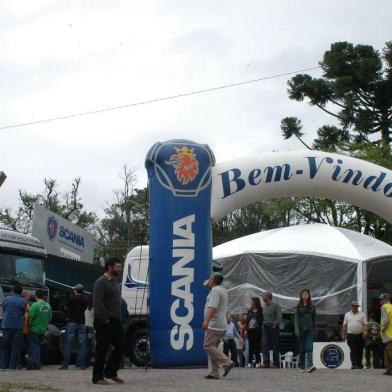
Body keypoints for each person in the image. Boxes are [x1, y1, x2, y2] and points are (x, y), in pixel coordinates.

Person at [92, 257, 125, 385]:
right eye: (117, 267)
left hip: (115, 321)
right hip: (105, 321)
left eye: (120, 267)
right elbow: (97, 302)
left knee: (122, 344)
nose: (119, 269)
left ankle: (111, 372)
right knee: (102, 349)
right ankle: (97, 377)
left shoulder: (114, 282)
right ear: (110, 267)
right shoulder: (101, 282)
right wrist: (104, 319)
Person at [203, 273, 234, 380]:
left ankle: (227, 362)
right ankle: (214, 372)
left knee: (207, 346)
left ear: (213, 280)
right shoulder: (222, 289)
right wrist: (208, 283)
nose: (208, 280)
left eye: (210, 278)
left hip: (214, 324)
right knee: (213, 348)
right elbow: (206, 285)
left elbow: (213, 308)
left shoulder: (215, 291)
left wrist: (206, 321)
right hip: (221, 324)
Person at [59, 284, 88, 370]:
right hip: (82, 322)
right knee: (82, 344)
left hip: (72, 322)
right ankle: (81, 364)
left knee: (68, 343)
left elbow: (64, 307)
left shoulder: (72, 298)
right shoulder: (85, 299)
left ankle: (65, 364)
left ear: (76, 290)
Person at [0, 284, 27, 370]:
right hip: (18, 326)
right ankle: (13, 366)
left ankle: (2, 366)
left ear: (13, 291)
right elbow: (23, 313)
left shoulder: (6, 299)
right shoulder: (23, 301)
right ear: (21, 292)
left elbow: (4, 310)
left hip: (7, 325)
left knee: (5, 346)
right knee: (16, 346)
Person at [25, 289, 52, 370]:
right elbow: (50, 318)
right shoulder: (48, 305)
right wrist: (45, 324)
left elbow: (30, 317)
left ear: (35, 296)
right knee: (38, 347)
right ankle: (32, 363)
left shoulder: (35, 305)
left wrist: (28, 326)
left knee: (34, 347)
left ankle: (37, 364)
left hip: (34, 329)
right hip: (43, 329)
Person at [294, 289, 316, 373]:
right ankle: (302, 366)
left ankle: (310, 365)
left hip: (310, 329)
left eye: (306, 294)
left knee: (309, 347)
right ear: (301, 295)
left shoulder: (313, 306)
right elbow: (296, 319)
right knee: (302, 348)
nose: (305, 296)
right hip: (301, 329)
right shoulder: (298, 306)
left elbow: (314, 319)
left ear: (309, 296)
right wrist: (296, 330)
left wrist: (314, 330)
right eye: (303, 294)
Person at [342, 300, 368, 369]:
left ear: (357, 307)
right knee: (353, 350)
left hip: (360, 334)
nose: (354, 307)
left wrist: (365, 332)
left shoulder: (362, 314)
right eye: (353, 306)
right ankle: (354, 364)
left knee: (360, 350)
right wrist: (343, 334)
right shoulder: (347, 314)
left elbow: (365, 324)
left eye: (355, 306)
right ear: (351, 306)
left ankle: (359, 364)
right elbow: (344, 325)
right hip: (350, 334)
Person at [261, 291, 282, 368]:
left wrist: (275, 324)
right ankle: (266, 362)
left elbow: (279, 317)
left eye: (263, 296)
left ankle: (276, 363)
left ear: (268, 296)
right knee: (265, 344)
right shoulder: (264, 306)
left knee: (275, 345)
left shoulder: (276, 306)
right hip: (265, 327)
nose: (262, 297)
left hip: (273, 327)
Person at [247, 297, 263, 368]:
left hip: (257, 330)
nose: (251, 302)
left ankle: (257, 362)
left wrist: (257, 321)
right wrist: (245, 329)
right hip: (250, 330)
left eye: (252, 301)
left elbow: (262, 320)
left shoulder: (261, 310)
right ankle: (249, 362)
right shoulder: (250, 310)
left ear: (256, 302)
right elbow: (247, 320)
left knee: (256, 346)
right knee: (250, 346)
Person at [379, 293, 392, 375]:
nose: (380, 301)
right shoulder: (391, 307)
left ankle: (389, 369)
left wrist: (382, 328)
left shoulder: (384, 307)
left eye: (381, 299)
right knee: (386, 352)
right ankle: (389, 369)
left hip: (388, 333)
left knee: (390, 352)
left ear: (385, 299)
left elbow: (386, 320)